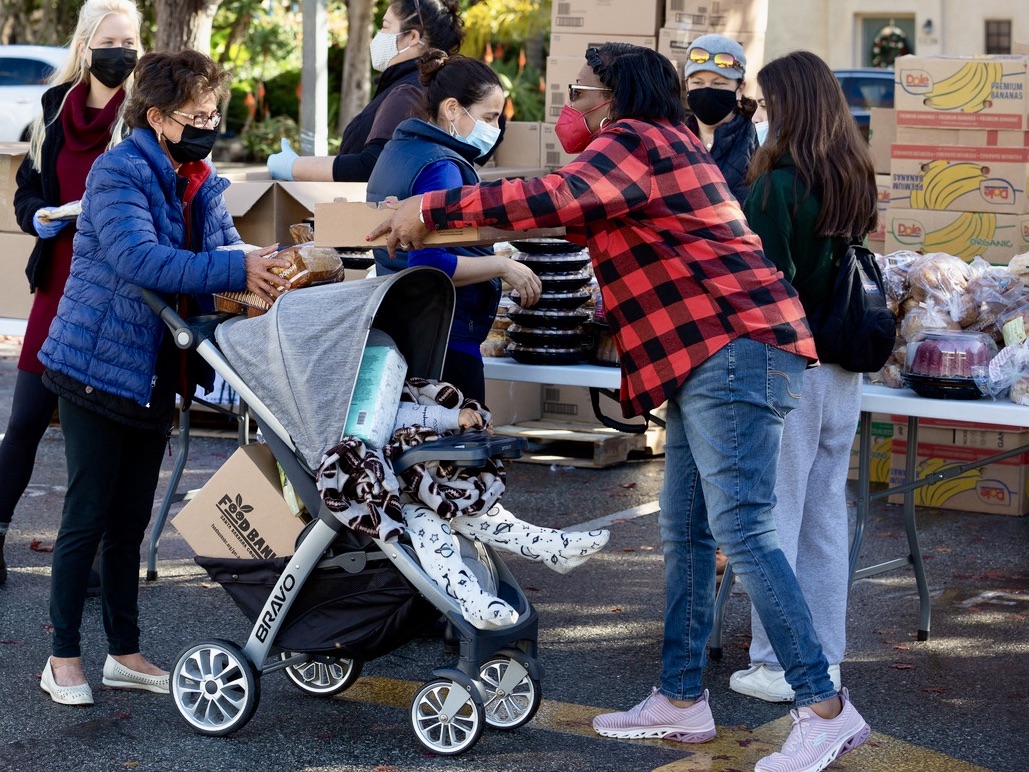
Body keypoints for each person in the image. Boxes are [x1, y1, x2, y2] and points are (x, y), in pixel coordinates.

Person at [367, 43, 872, 772]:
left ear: (613, 95)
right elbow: (557, 209)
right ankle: (679, 698)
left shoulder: (637, 141)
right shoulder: (660, 148)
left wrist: (427, 205)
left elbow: (553, 198)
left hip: (735, 351)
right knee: (688, 530)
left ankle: (823, 707)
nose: (570, 107)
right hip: (716, 356)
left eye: (579, 91)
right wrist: (436, 219)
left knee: (743, 530)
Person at [35, 49, 292, 707]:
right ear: (156, 117)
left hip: (154, 370)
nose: (209, 123)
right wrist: (239, 272)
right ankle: (62, 656)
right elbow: (141, 259)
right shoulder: (117, 172)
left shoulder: (200, 178)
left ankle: (123, 653)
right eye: (195, 114)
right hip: (93, 366)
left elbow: (220, 253)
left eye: (212, 112)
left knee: (129, 520)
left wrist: (267, 275)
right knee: (86, 517)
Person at [730, 50, 878, 706]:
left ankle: (776, 661)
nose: (758, 115)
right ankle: (823, 657)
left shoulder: (775, 185)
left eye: (765, 103)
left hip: (786, 361)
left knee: (774, 515)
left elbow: (764, 286)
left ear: (786, 105)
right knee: (822, 514)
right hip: (844, 365)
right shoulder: (853, 171)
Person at [0, 0, 142, 586]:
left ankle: (84, 562)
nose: (122, 52)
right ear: (85, 47)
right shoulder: (54, 109)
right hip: (57, 277)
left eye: (130, 41)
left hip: (114, 288)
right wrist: (39, 217)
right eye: (110, 41)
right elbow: (27, 186)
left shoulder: (143, 113)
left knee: (98, 429)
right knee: (27, 418)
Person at [319, 374, 610, 631]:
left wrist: (458, 420)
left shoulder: (376, 393)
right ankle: (472, 599)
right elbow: (397, 418)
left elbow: (402, 410)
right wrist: (450, 418)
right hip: (390, 505)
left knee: (480, 514)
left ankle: (551, 546)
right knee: (433, 529)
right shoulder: (345, 412)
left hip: (418, 489)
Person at [366, 50, 541, 401]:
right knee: (462, 443)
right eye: (489, 118)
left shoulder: (399, 151)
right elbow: (429, 263)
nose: (494, 130)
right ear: (451, 109)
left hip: (399, 326)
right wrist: (503, 266)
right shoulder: (441, 167)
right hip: (446, 334)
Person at [266, 0, 466, 182]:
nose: (379, 35)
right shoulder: (410, 85)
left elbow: (373, 166)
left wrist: (293, 166)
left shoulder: (409, 91)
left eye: (386, 26)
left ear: (413, 36)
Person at [682, 33, 758, 203]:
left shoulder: (755, 139)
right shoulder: (675, 140)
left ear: (740, 88)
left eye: (719, 84)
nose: (707, 90)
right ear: (686, 85)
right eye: (698, 83)